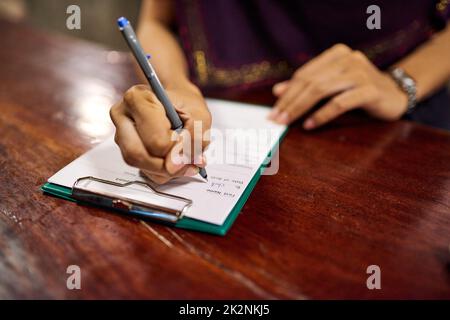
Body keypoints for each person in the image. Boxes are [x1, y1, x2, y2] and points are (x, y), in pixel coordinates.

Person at [110, 0, 450, 184]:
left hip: (394, 124)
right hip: (228, 107)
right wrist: (175, 87)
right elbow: (158, 22)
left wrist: (401, 82)